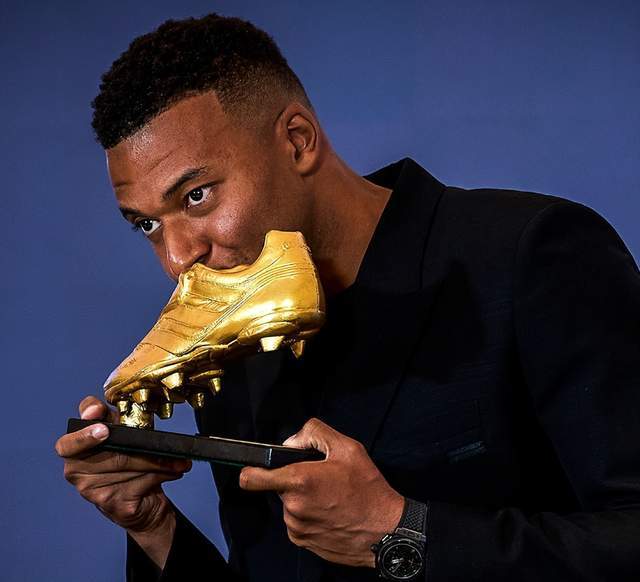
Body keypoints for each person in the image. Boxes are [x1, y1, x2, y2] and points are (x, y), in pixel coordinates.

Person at [54, 13, 640, 582]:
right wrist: (153, 528)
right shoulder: (231, 347)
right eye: (147, 224)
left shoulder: (531, 252)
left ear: (298, 141)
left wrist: (403, 534)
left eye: (197, 196)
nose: (178, 257)